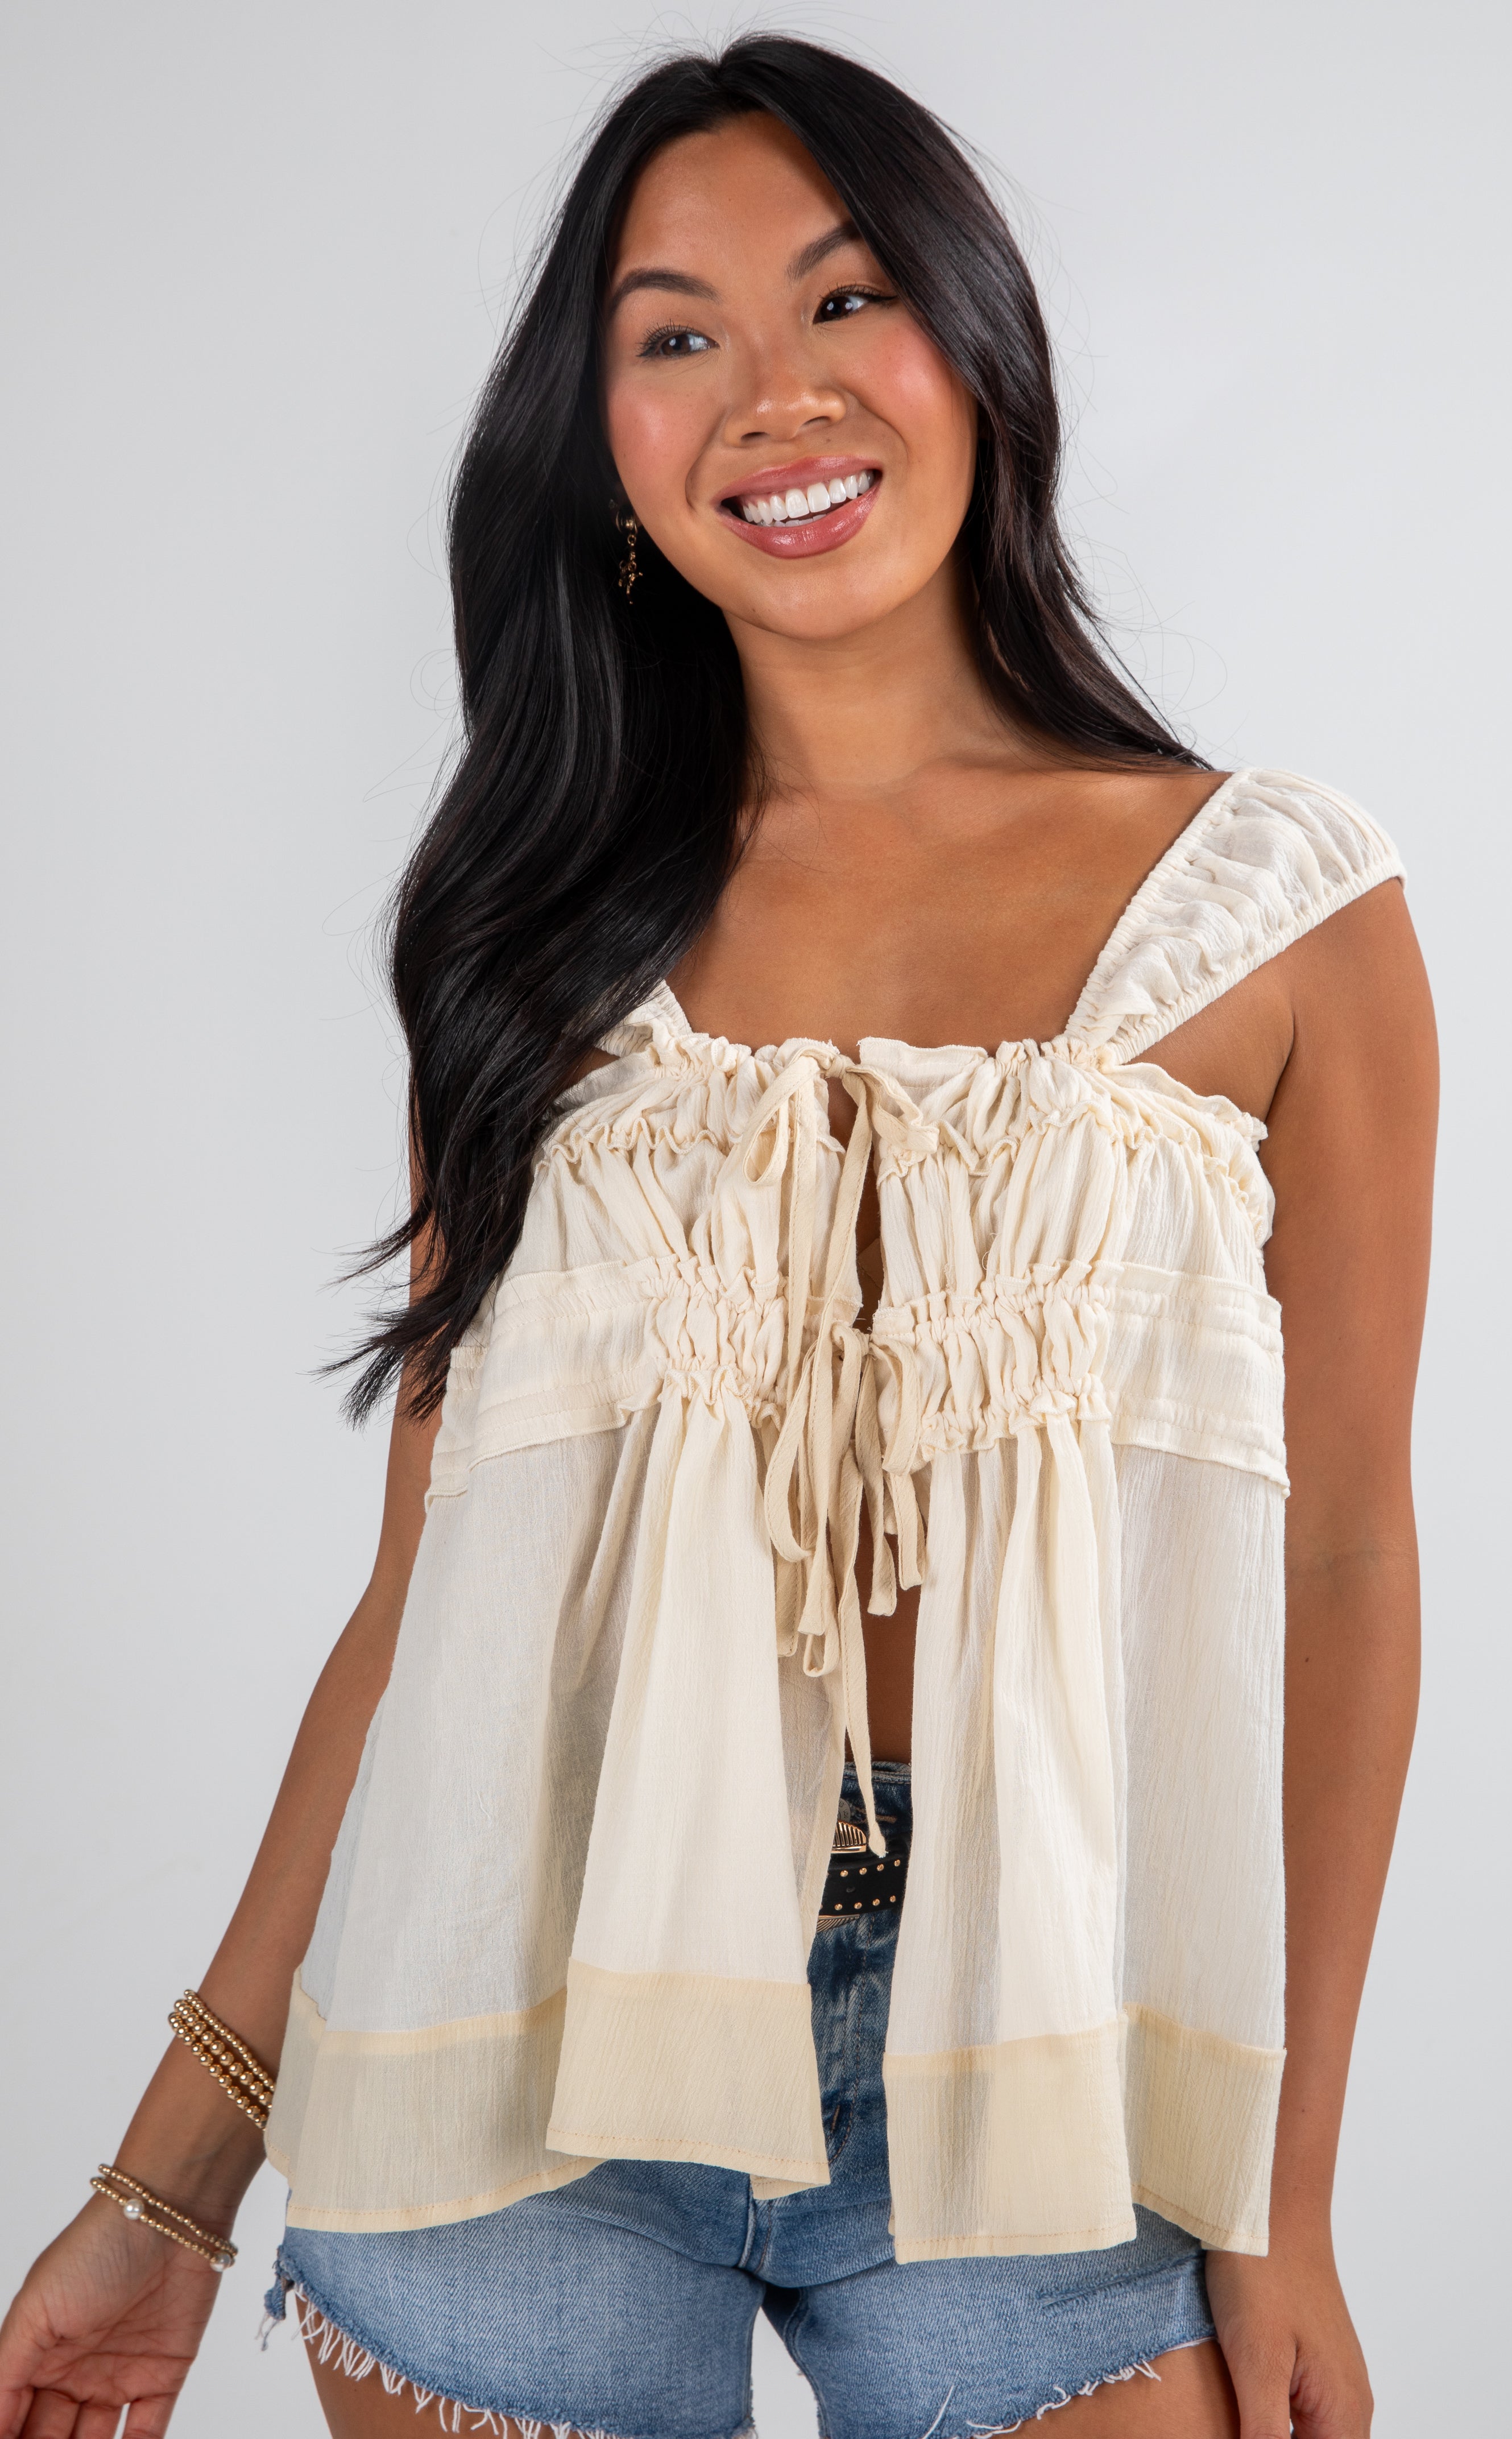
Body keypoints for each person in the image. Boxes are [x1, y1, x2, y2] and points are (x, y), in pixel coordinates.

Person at [0, 36, 1435, 2439]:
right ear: (612, 456)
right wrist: (169, 2191)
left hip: (1045, 2061)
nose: (771, 395)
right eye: (674, 334)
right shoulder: (536, 935)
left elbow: (1345, 1571)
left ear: (974, 343)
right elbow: (424, 1596)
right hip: (512, 2040)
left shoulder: (1272, 909)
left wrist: (1282, 2197)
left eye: (843, 298)